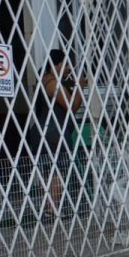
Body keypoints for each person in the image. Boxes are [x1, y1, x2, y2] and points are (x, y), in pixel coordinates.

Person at [33, 48, 88, 219]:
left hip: (46, 131)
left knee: (50, 170)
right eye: (66, 65)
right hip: (54, 131)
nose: (69, 69)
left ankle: (47, 207)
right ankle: (51, 209)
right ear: (55, 66)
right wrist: (79, 87)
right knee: (59, 170)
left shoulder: (47, 80)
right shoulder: (51, 83)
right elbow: (72, 106)